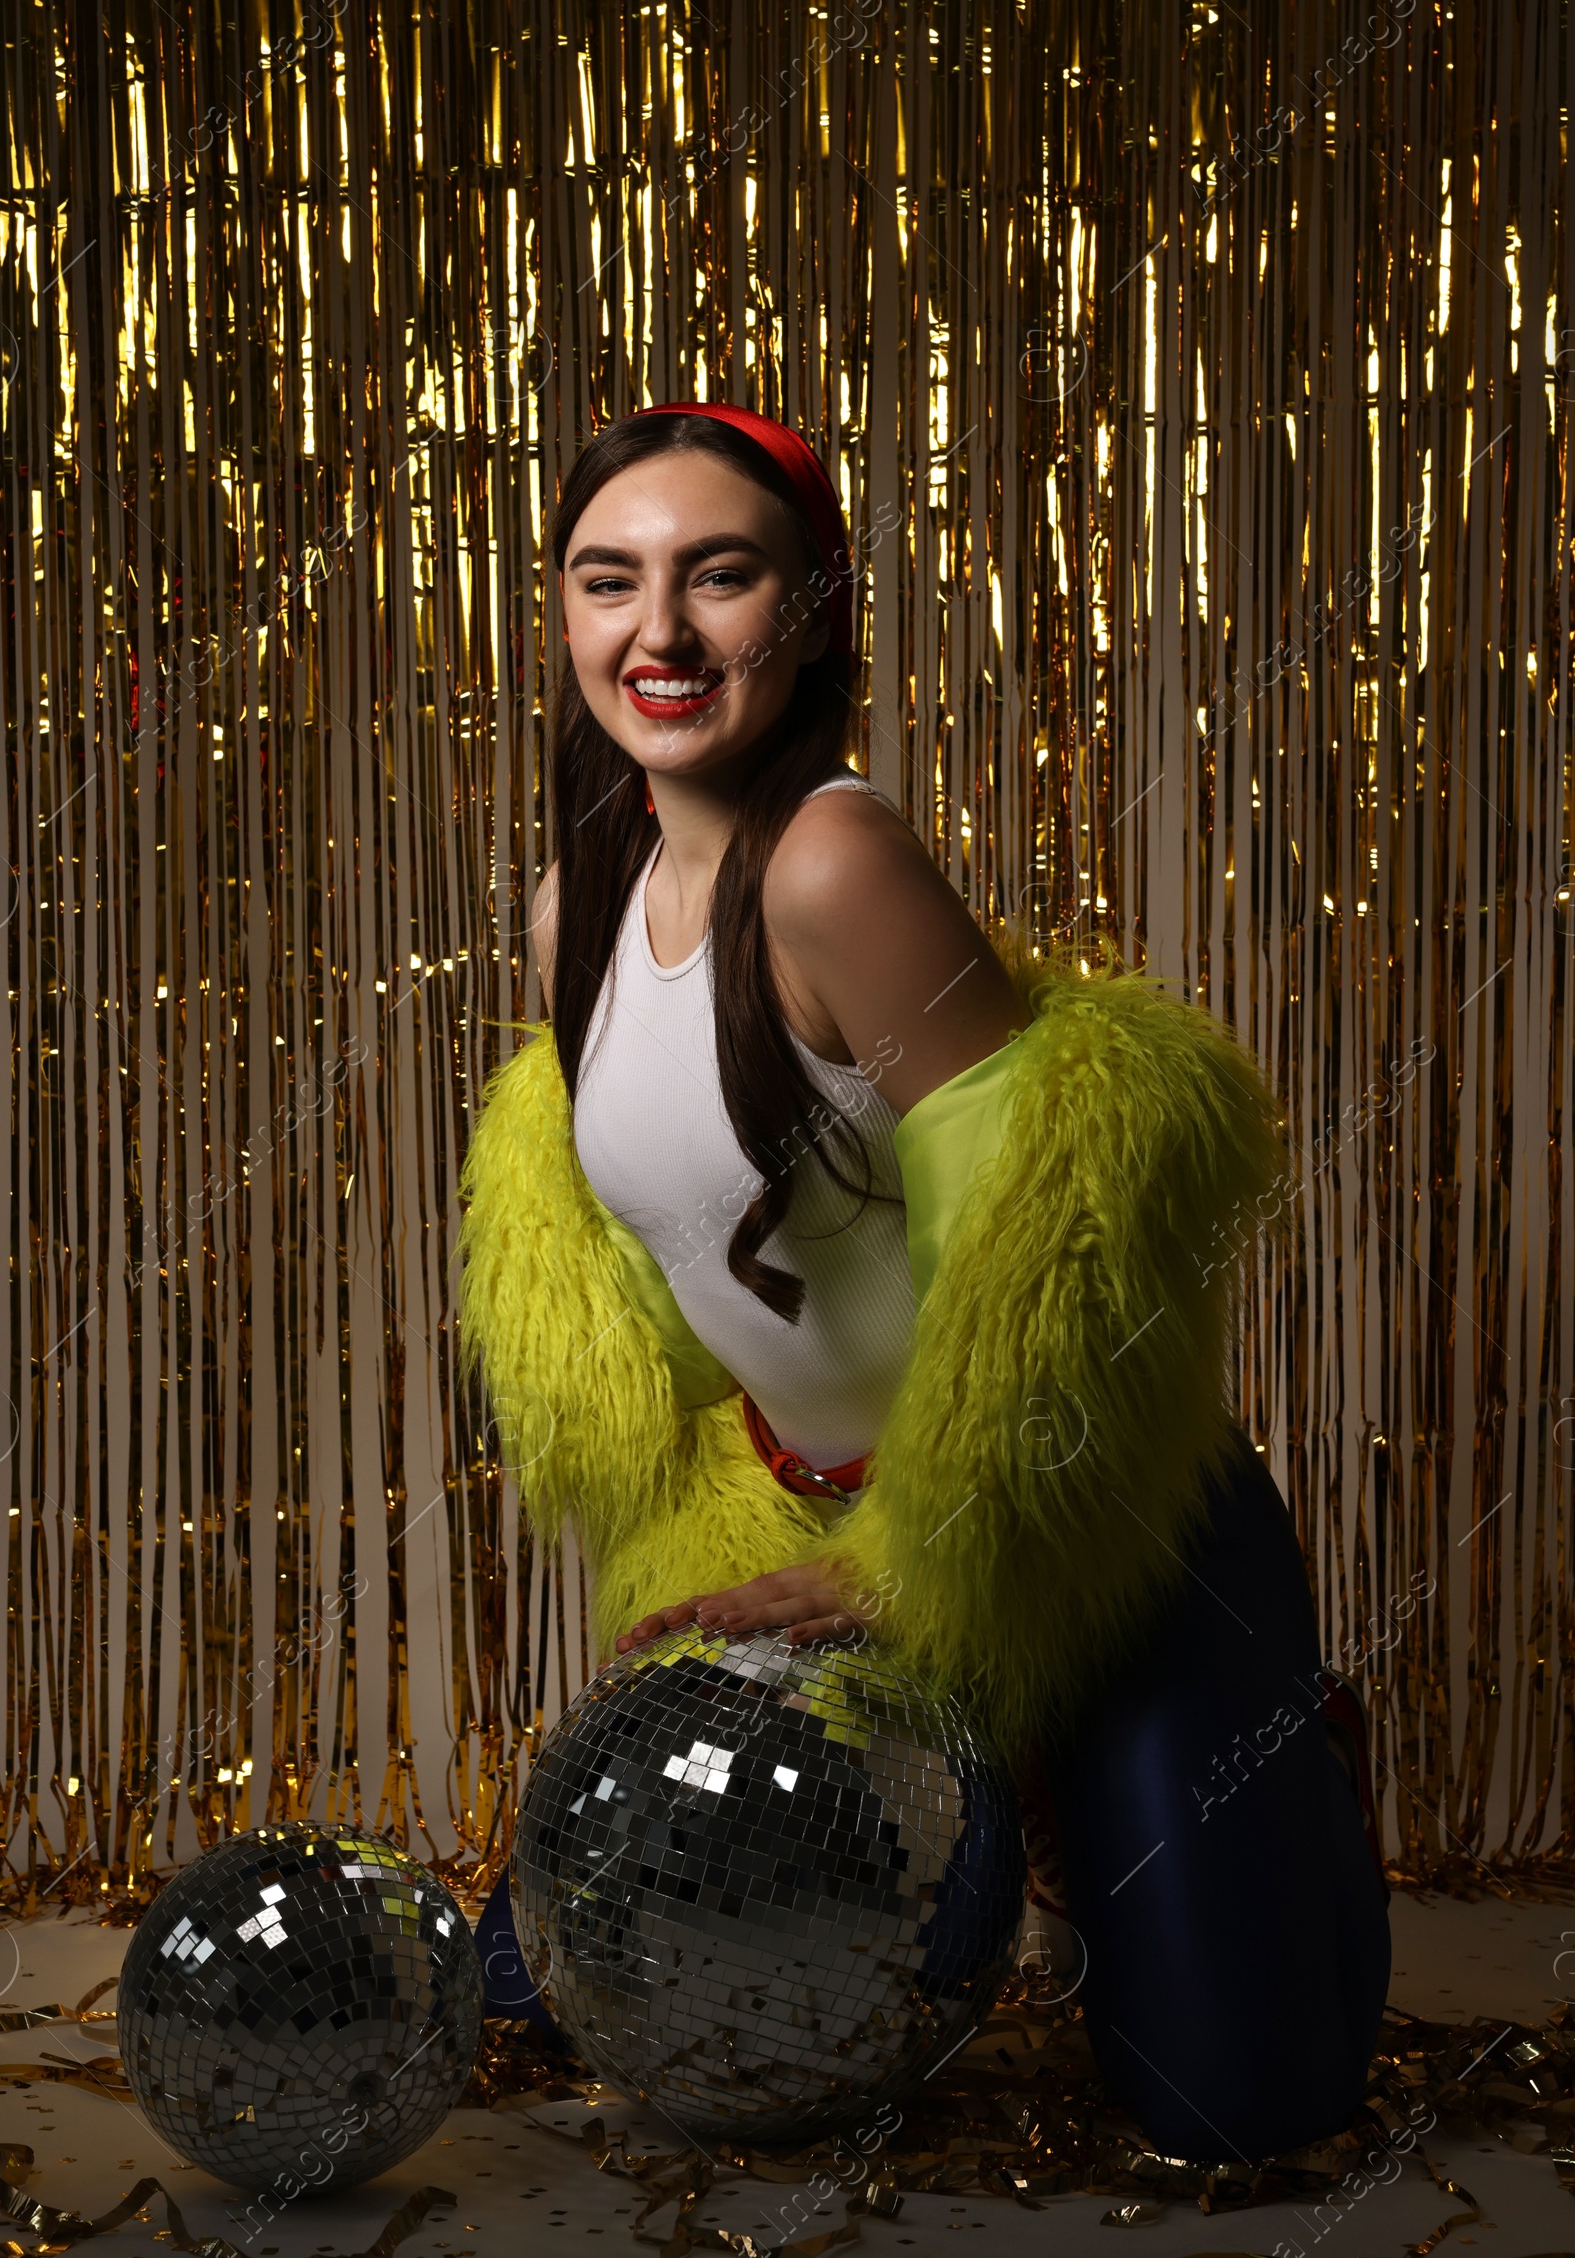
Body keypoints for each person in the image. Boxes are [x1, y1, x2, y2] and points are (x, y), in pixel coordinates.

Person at [458, 400, 1391, 2159]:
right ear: (561, 615)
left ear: (808, 610)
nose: (657, 634)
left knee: (1239, 2107)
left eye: (717, 576)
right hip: (804, 1546)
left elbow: (1045, 1239)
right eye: (608, 581)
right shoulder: (569, 912)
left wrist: (932, 1555)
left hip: (1082, 1532)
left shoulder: (834, 863)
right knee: (564, 1986)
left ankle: (1289, 1759)